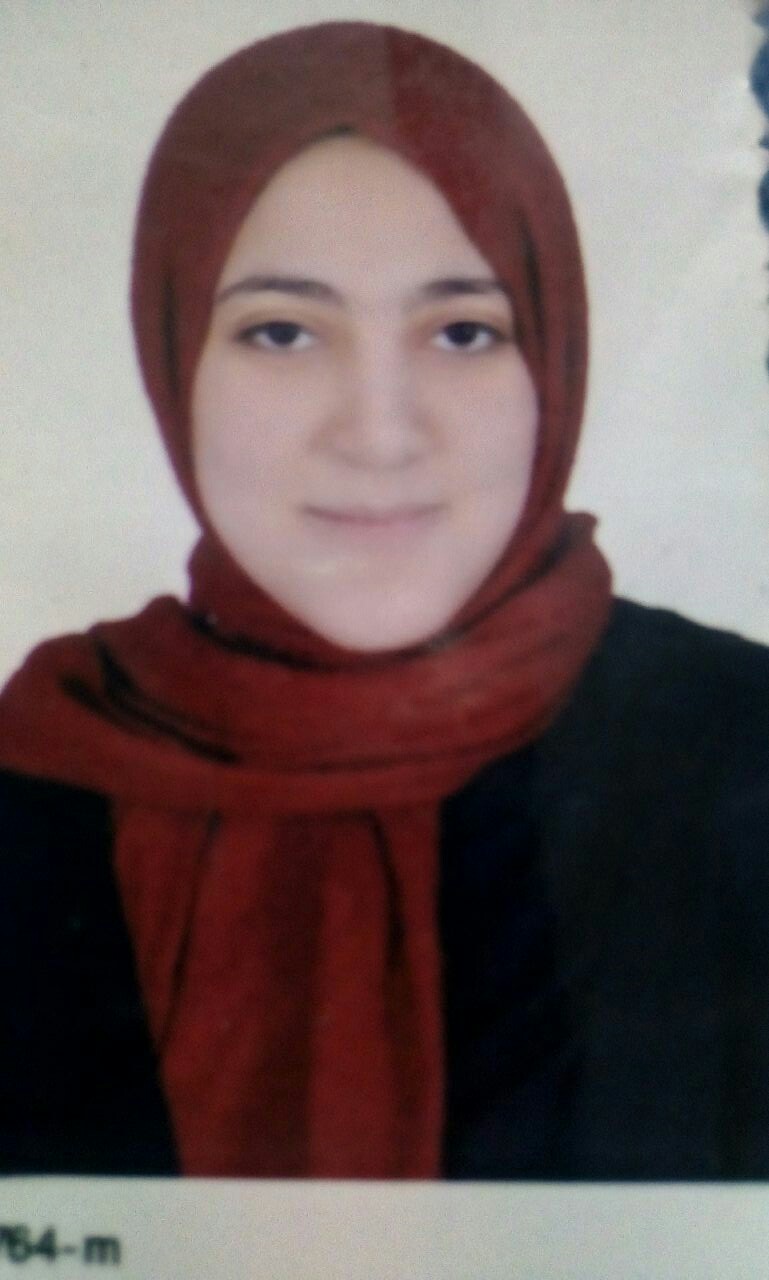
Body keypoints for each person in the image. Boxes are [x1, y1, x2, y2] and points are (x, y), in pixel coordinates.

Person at [1, 20, 768, 1180]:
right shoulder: (41, 776)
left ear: (551, 358)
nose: (377, 431)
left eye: (462, 331)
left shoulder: (736, 752)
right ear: (173, 350)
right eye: (282, 331)